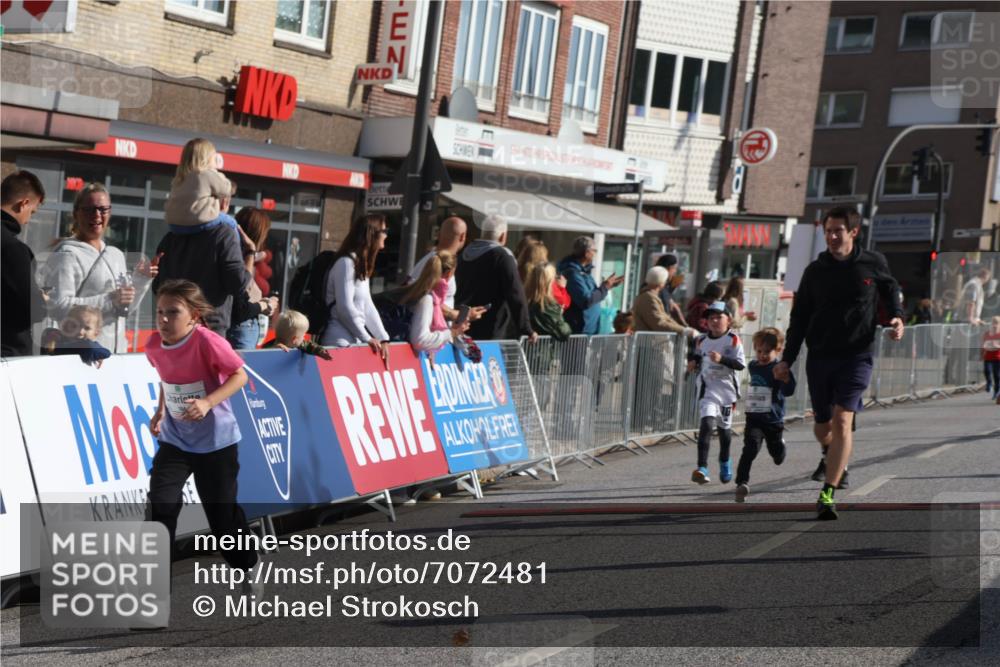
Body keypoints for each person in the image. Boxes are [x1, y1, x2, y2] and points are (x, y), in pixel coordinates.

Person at [774, 207, 904, 521]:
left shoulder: (872, 263)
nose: (832, 237)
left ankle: (828, 492)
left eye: (838, 231)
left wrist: (897, 315)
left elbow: (890, 288)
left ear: (853, 232)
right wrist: (786, 359)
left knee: (843, 419)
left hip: (857, 354)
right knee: (823, 425)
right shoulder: (815, 271)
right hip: (820, 355)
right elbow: (799, 318)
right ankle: (830, 453)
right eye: (828, 231)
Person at [145, 279, 261, 596]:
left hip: (216, 442)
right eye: (159, 312)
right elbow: (167, 379)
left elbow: (240, 375)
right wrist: (160, 411)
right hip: (175, 439)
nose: (164, 319)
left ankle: (246, 564)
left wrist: (208, 402)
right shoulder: (153, 345)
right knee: (160, 504)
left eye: (173, 312)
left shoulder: (208, 342)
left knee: (221, 519)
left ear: (194, 315)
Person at [43, 183, 156, 354]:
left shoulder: (115, 254)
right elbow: (58, 306)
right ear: (76, 213)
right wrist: (110, 299)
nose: (97, 215)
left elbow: (124, 310)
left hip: (116, 355)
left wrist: (141, 280)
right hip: (81, 356)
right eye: (89, 209)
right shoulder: (66, 254)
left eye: (103, 209)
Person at [686, 302, 746, 485]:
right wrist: (692, 362)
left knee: (724, 432)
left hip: (727, 393)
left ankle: (725, 462)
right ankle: (702, 468)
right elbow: (697, 355)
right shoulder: (701, 340)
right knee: (706, 425)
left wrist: (722, 359)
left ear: (728, 320)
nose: (714, 321)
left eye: (718, 317)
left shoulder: (733, 340)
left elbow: (740, 364)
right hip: (707, 390)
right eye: (710, 317)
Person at [734, 327, 796, 502]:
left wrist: (785, 380)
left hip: (773, 419)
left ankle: (780, 449)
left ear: (778, 351)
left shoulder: (779, 368)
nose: (762, 355)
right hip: (754, 417)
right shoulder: (753, 366)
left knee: (776, 454)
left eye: (767, 352)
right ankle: (742, 483)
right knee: (750, 448)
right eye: (759, 351)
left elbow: (789, 390)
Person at [321, 214, 391, 366]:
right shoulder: (346, 263)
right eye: (384, 231)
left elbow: (367, 306)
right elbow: (344, 308)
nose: (386, 235)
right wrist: (367, 338)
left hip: (354, 342)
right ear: (372, 234)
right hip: (339, 343)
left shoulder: (360, 264)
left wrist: (383, 337)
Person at [454, 214, 536, 341]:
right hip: (490, 329)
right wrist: (525, 328)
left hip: (461, 323)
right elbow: (515, 293)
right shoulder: (502, 256)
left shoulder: (464, 253)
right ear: (503, 236)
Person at [1, 170, 49, 356]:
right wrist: (41, 300)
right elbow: (33, 310)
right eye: (32, 212)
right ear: (24, 204)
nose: (28, 220)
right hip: (7, 355)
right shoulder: (12, 248)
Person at [226, 207, 278, 350]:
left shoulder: (235, 255)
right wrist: (265, 306)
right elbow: (241, 303)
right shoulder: (241, 259)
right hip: (240, 331)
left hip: (242, 330)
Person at [164, 138, 236, 233]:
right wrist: (217, 173)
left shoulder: (180, 177)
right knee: (231, 222)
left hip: (174, 224)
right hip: (197, 221)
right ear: (208, 159)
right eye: (214, 158)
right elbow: (228, 188)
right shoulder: (206, 174)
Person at [402, 250, 469, 352]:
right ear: (448, 273)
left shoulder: (415, 288)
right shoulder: (427, 299)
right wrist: (452, 332)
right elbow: (420, 340)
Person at [558, 236, 624, 335]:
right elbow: (586, 300)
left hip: (588, 331)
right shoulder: (573, 274)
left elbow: (594, 295)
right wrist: (605, 287)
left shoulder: (584, 272)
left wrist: (608, 286)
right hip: (579, 332)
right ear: (586, 252)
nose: (595, 254)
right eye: (594, 250)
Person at [406, 216, 467, 320]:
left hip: (435, 329)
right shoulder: (438, 263)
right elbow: (424, 298)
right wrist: (458, 315)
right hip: (430, 331)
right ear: (462, 236)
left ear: (438, 235)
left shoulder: (432, 259)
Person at [632, 266, 696, 337]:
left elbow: (665, 318)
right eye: (665, 280)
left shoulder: (650, 296)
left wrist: (684, 329)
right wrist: (684, 331)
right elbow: (658, 322)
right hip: (648, 345)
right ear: (661, 282)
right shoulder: (648, 298)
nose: (666, 282)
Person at [39, 304, 112, 367]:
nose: (80, 332)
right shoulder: (53, 336)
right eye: (74, 326)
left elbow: (106, 353)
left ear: (96, 333)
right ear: (66, 326)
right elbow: (53, 351)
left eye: (87, 328)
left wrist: (96, 353)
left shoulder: (92, 346)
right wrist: (90, 350)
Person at [525, 262, 573, 341]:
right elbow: (564, 333)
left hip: (522, 349)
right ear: (549, 280)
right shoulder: (547, 304)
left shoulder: (524, 298)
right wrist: (559, 312)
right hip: (542, 350)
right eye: (554, 277)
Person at [264, 309, 331, 360]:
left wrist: (320, 351)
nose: (304, 338)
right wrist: (276, 349)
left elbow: (309, 346)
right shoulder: (270, 347)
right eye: (303, 335)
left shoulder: (299, 344)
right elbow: (264, 355)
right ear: (294, 339)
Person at [656, 254, 688, 326]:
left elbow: (673, 306)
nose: (675, 272)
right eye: (675, 268)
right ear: (669, 268)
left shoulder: (666, 286)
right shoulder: (658, 287)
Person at [983, 315, 1000, 401]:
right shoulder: (987, 333)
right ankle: (989, 383)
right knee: (987, 371)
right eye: (993, 323)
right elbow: (984, 344)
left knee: (997, 376)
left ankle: (996, 393)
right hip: (988, 356)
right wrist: (982, 353)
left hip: (997, 357)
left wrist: (996, 346)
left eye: (996, 323)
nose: (994, 325)